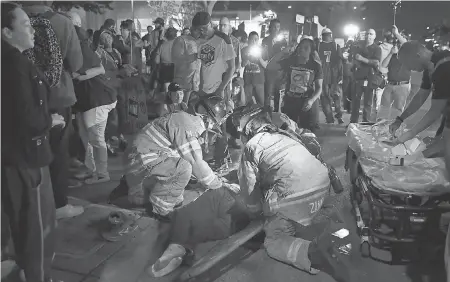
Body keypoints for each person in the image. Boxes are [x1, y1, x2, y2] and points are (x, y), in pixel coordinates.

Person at [225, 105, 352, 282]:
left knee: (273, 241)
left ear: (247, 129)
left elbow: (250, 191)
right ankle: (324, 224)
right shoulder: (284, 134)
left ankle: (313, 253)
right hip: (323, 187)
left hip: (298, 196)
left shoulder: (252, 147)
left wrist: (256, 214)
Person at [1, 3, 66, 280]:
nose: (33, 31)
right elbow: (26, 117)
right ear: (6, 32)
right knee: (38, 225)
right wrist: (49, 121)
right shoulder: (14, 65)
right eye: (26, 25)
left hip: (13, 155)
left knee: (20, 222)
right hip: (28, 156)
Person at [108, 95, 231, 220]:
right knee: (183, 168)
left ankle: (131, 187)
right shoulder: (188, 125)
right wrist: (217, 184)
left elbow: (180, 155)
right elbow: (195, 163)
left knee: (177, 197)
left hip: (139, 158)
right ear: (208, 118)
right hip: (141, 160)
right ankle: (157, 210)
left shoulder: (184, 118)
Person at [22, 1, 85, 220]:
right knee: (58, 152)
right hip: (57, 95)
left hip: (22, 97)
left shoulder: (11, 18)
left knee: (26, 151)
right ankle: (58, 205)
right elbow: (76, 63)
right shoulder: (61, 22)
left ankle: (32, 205)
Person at [389, 41, 450, 166]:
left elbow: (435, 111)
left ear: (417, 55)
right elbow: (420, 97)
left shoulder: (444, 66)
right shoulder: (430, 69)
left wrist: (410, 134)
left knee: (444, 151)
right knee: (438, 147)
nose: (408, 69)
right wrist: (400, 119)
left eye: (407, 64)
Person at [279, 37, 323, 132]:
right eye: (300, 47)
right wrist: (283, 53)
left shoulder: (315, 66)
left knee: (307, 132)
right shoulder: (290, 61)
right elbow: (270, 66)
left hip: (306, 102)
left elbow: (319, 88)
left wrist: (311, 100)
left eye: (306, 48)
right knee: (288, 131)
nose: (302, 49)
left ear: (311, 51)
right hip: (290, 101)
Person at [349, 29, 382, 123]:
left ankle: (365, 123)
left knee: (368, 103)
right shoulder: (358, 47)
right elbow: (353, 59)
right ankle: (353, 123)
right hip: (358, 78)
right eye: (367, 34)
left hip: (369, 78)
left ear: (374, 36)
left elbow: (376, 62)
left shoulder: (376, 48)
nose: (369, 36)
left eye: (371, 34)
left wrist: (362, 59)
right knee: (355, 102)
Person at [377, 26, 409, 120]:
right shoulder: (393, 52)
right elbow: (383, 65)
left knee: (398, 110)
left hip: (402, 85)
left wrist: (397, 34)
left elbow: (407, 45)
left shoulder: (407, 53)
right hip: (390, 85)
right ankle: (381, 129)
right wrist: (391, 53)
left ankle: (394, 131)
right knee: (383, 108)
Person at [318, 28, 344, 124]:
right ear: (331, 35)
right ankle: (338, 115)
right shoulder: (336, 46)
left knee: (325, 98)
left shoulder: (318, 46)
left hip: (323, 76)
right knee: (336, 97)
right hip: (333, 76)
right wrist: (341, 75)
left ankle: (329, 118)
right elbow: (340, 62)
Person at [262, 18, 288, 111]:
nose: (275, 29)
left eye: (277, 27)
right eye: (273, 27)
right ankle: (266, 116)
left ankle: (278, 116)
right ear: (270, 27)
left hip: (280, 72)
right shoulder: (265, 40)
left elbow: (285, 56)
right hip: (269, 71)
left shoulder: (282, 41)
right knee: (268, 95)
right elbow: (263, 55)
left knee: (279, 96)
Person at [172, 26, 201, 104]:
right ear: (191, 30)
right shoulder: (181, 40)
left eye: (201, 30)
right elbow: (176, 58)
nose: (199, 32)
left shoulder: (203, 41)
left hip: (197, 82)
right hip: (182, 81)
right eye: (196, 30)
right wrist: (193, 56)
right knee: (180, 107)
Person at [241, 31, 267, 105]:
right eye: (252, 39)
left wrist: (259, 58)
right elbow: (241, 65)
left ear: (258, 40)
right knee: (247, 103)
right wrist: (245, 61)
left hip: (259, 80)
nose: (254, 41)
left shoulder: (263, 50)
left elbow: (266, 65)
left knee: (262, 102)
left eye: (256, 39)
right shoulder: (243, 50)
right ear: (248, 40)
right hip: (247, 80)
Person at [155, 27, 178, 92]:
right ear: (175, 35)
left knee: (166, 89)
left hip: (165, 68)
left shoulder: (162, 46)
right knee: (176, 89)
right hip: (177, 68)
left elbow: (157, 61)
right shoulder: (179, 45)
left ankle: (167, 99)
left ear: (166, 35)